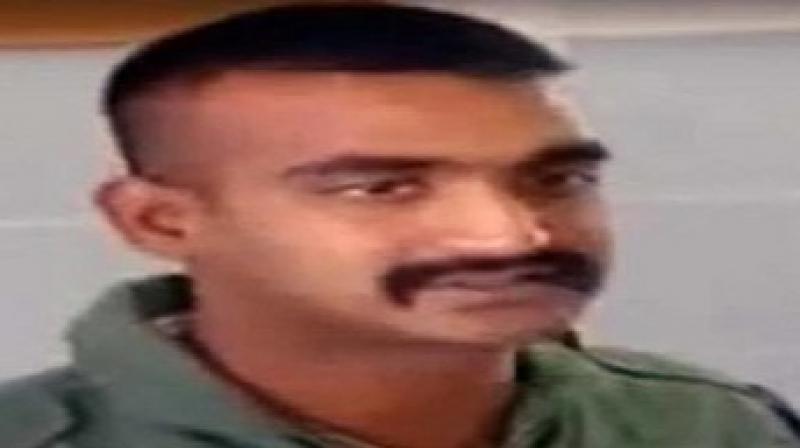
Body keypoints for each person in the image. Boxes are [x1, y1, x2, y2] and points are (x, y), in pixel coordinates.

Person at [1, 2, 798, 447]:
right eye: (382, 188)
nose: (510, 235)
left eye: (557, 179)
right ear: (162, 222)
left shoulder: (703, 425)